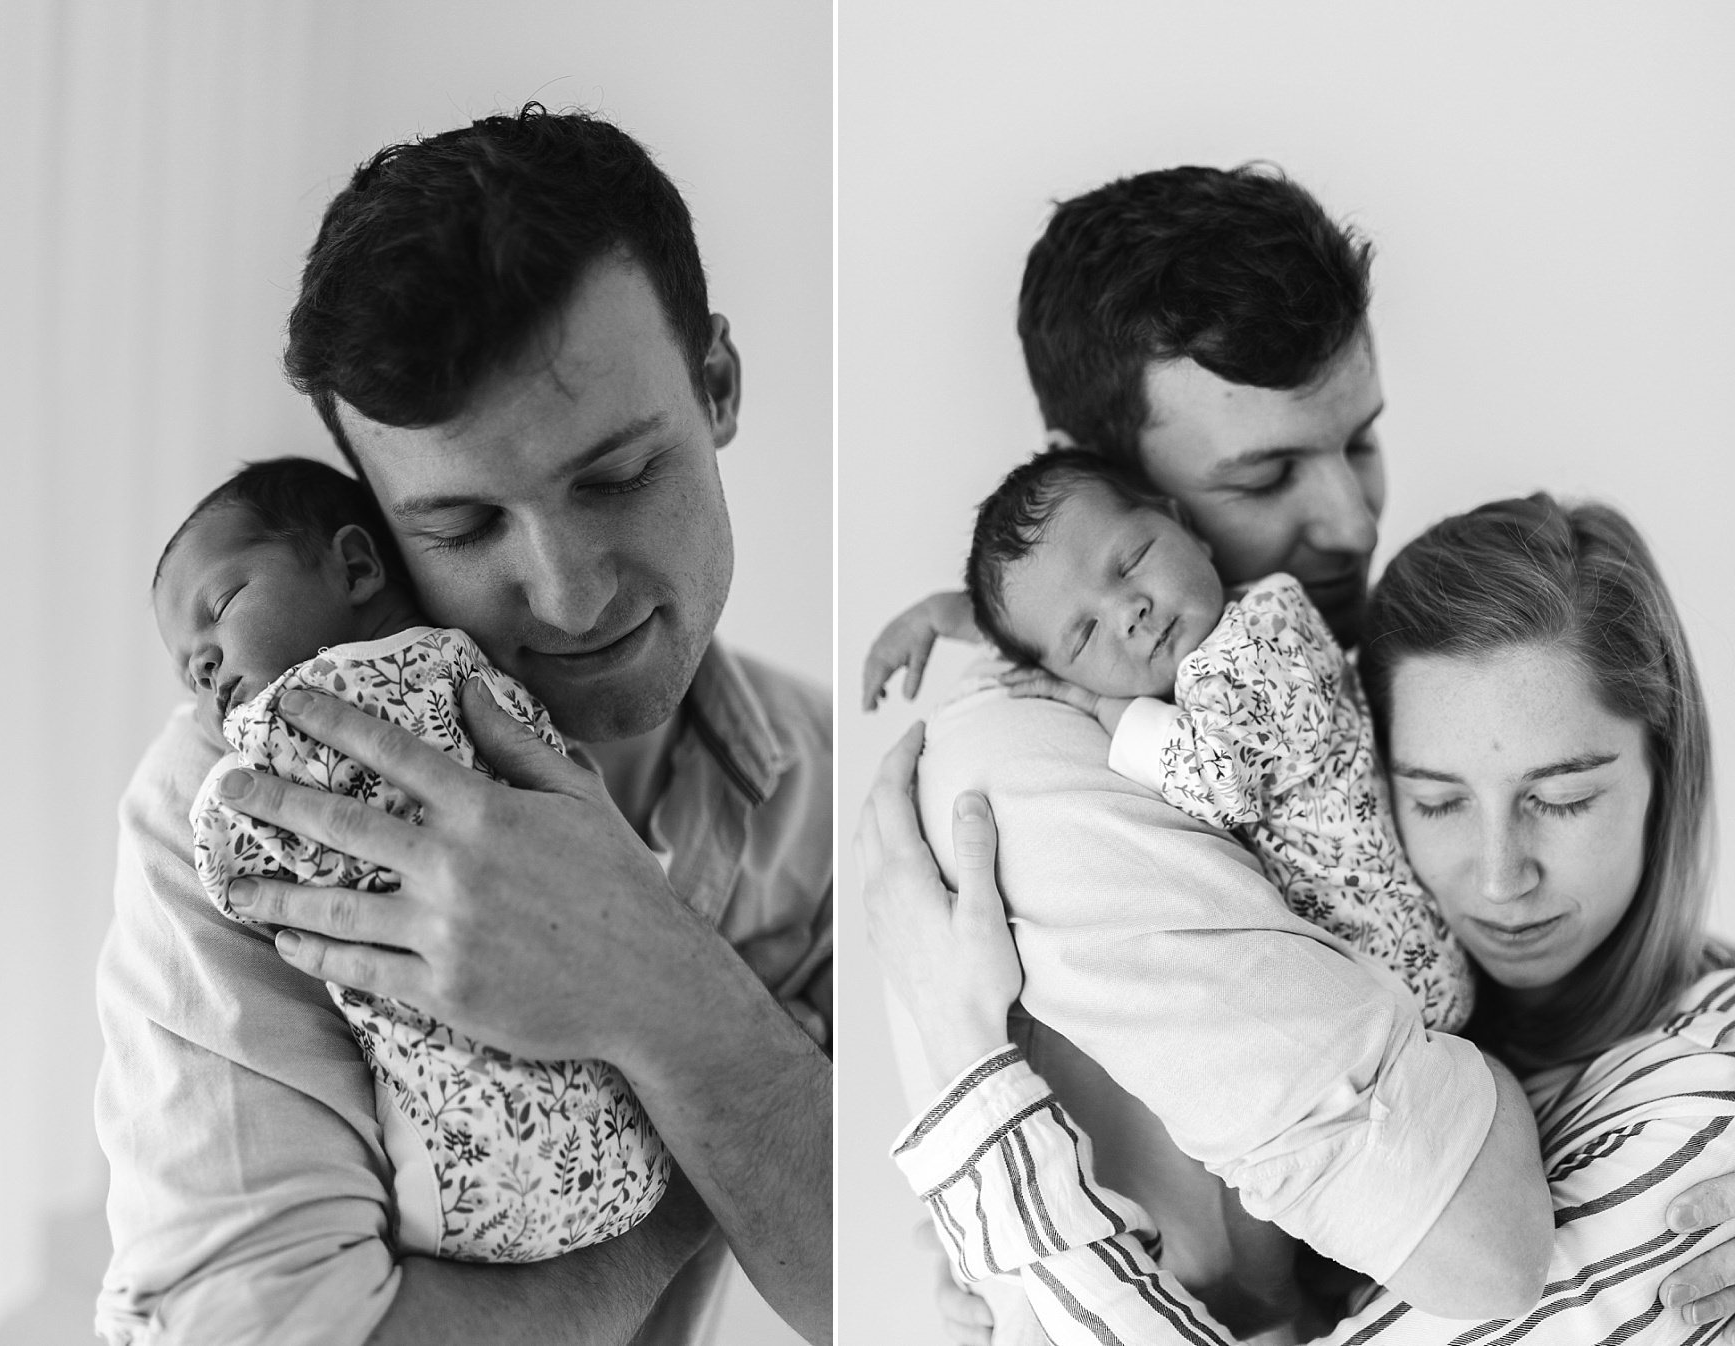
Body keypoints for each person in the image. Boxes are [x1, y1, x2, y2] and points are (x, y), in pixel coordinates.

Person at [855, 164, 1735, 1340]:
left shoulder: (1339, 655)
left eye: (1360, 440)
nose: (1356, 521)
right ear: (1111, 484)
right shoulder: (1035, 775)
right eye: (1265, 473)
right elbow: (1482, 1251)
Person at [96, 107, 831, 1346]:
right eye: (461, 528)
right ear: (370, 538)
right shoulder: (245, 803)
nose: (569, 592)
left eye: (616, 476)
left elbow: (927, 1285)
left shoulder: (828, 783)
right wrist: (702, 1180)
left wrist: (659, 981)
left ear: (716, 387)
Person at [155, 456, 670, 1266]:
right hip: (635, 1144)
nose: (206, 670)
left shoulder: (306, 709)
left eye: (219, 609)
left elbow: (228, 857)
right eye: (189, 670)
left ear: (358, 566)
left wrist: (219, 807)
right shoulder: (472, 663)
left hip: (476, 1176)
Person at [962, 445, 1472, 1032]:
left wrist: (1104, 705)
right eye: (1084, 634)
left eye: (1131, 561)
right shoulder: (1200, 658)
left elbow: (1220, 780)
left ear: (1186, 527)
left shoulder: (1264, 631)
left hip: (1399, 964)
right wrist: (949, 617)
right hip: (1366, 966)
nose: (1128, 610)